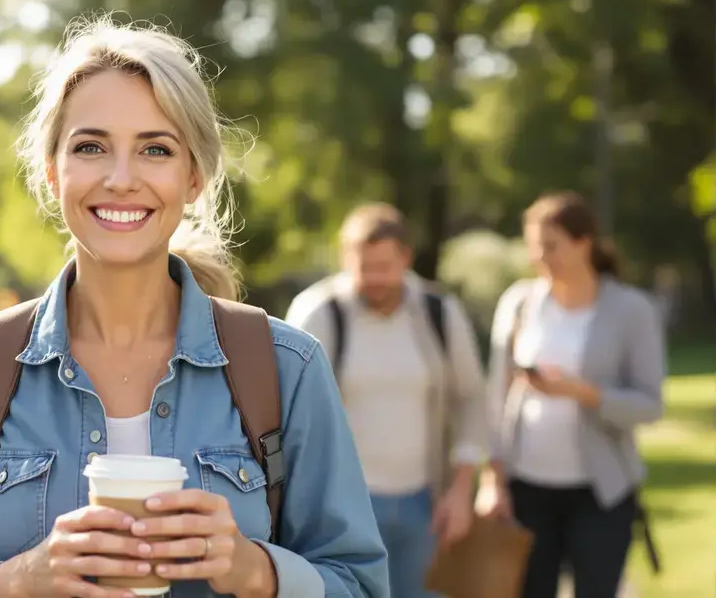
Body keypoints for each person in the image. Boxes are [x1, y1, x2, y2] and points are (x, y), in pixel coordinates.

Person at [0, 18, 388, 598]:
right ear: (51, 170)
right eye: (90, 147)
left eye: (155, 149)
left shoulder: (286, 365)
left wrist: (254, 570)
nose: (121, 179)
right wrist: (16, 580)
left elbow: (361, 584)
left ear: (193, 177)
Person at [284, 203, 487, 598]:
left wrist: (462, 490)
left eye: (384, 266)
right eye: (364, 267)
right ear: (346, 259)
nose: (374, 278)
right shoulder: (316, 314)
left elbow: (473, 398)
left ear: (407, 258)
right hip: (342, 509)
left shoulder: (439, 313)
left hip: (425, 505)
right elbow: (289, 413)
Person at [478, 192, 665, 598]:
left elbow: (651, 405)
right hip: (526, 490)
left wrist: (582, 393)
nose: (538, 258)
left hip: (601, 492)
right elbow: (494, 399)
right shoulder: (518, 303)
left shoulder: (632, 310)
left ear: (584, 243)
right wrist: (492, 480)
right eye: (533, 247)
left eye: (549, 246)